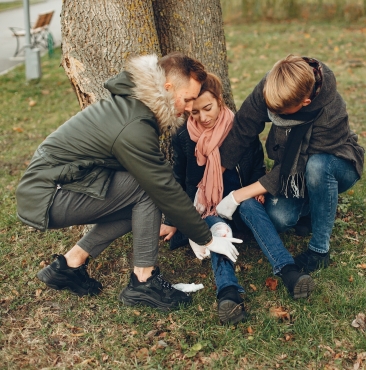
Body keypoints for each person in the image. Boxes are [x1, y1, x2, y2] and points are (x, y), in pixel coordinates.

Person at [16, 52, 242, 311]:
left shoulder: (135, 106)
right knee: (147, 189)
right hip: (47, 195)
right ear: (168, 88)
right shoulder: (134, 123)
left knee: (141, 200)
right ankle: (143, 282)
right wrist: (207, 238)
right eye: (188, 99)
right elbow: (162, 187)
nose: (190, 108)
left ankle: (69, 265)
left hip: (60, 185)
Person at [160, 73, 315, 325]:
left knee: (251, 205)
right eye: (194, 113)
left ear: (220, 101)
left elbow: (256, 166)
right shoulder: (183, 138)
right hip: (206, 210)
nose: (203, 117)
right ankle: (228, 294)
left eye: (207, 108)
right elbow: (178, 181)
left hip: (239, 202)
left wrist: (259, 190)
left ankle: (289, 271)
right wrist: (174, 219)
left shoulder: (240, 129)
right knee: (217, 229)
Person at [217, 54, 364, 275]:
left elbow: (295, 167)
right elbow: (243, 126)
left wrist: (237, 196)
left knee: (317, 168)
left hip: (336, 162)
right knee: (278, 219)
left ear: (305, 103)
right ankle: (312, 207)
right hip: (293, 172)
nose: (275, 115)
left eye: (282, 112)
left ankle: (319, 250)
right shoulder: (274, 85)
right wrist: (217, 170)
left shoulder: (329, 112)